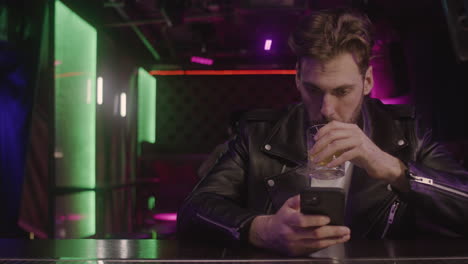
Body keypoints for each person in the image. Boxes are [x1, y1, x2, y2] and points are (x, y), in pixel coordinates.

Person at [177, 8, 468, 256]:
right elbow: (194, 211)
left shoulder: (407, 131)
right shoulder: (258, 134)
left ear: (367, 81)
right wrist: (262, 230)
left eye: (342, 91)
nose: (327, 108)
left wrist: (395, 169)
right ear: (297, 79)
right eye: (313, 90)